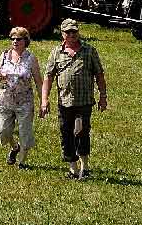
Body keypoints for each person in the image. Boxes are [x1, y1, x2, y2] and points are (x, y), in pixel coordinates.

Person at [41, 19, 108, 180]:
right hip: (64, 102)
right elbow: (48, 77)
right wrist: (44, 100)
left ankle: (84, 167)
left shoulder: (89, 50)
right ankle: (73, 168)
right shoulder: (56, 52)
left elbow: (99, 74)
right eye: (68, 32)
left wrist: (103, 96)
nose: (72, 35)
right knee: (66, 134)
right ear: (62, 34)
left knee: (81, 132)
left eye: (74, 31)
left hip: (84, 101)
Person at [0, 26, 42, 168]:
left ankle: (22, 161)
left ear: (25, 41)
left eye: (18, 39)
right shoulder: (4, 55)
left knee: (25, 133)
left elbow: (39, 81)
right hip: (6, 99)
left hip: (25, 101)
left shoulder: (31, 58)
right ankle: (15, 147)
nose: (15, 41)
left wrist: (43, 101)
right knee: (3, 131)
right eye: (13, 38)